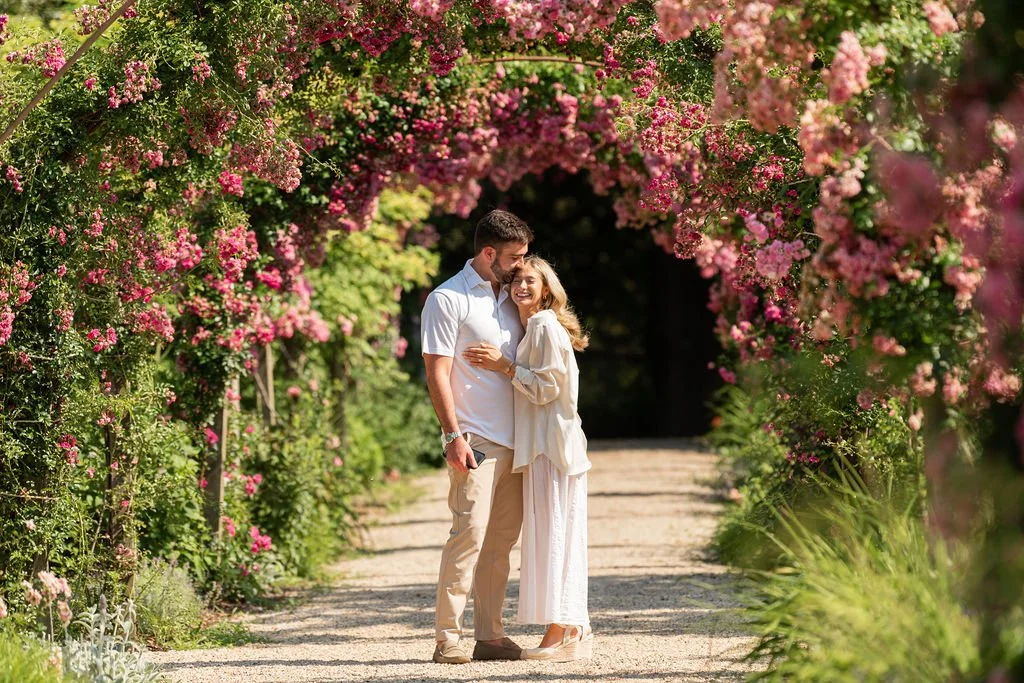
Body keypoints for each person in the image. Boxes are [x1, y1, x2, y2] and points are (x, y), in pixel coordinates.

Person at [463, 255, 593, 662]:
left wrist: (505, 366)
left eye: (530, 281)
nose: (521, 286)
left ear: (547, 289)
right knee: (556, 537)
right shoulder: (534, 328)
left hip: (551, 450)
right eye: (516, 279)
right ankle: (571, 627)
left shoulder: (542, 326)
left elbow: (549, 389)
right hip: (546, 448)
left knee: (555, 537)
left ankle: (564, 629)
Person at [421, 209, 533, 665]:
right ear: (489, 254)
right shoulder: (448, 299)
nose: (522, 266)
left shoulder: (514, 298)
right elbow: (437, 371)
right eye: (514, 257)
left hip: (518, 441)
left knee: (501, 545)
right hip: (476, 441)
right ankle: (448, 637)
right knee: (467, 536)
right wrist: (452, 435)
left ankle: (490, 635)